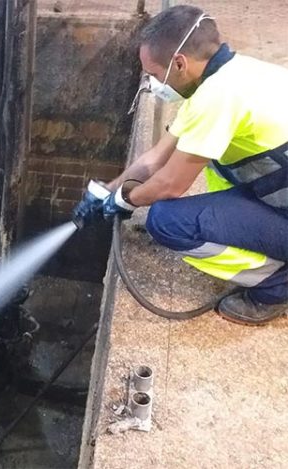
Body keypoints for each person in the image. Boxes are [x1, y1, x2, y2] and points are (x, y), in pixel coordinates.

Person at [74, 5, 288, 325]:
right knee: (214, 164)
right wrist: (108, 190)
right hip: (276, 194)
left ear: (179, 63)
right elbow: (154, 160)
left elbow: (170, 184)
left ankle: (276, 285)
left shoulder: (218, 97)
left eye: (155, 74)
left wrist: (123, 202)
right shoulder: (230, 75)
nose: (152, 82)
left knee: (167, 221)